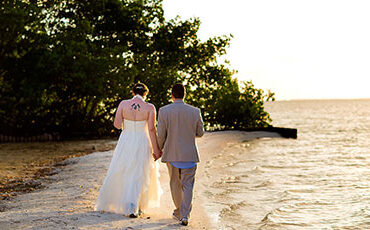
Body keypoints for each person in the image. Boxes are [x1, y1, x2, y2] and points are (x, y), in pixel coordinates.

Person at [94, 83, 162, 218]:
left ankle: (130, 205)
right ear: (145, 93)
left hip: (126, 139)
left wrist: (128, 122)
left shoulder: (123, 104)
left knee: (123, 169)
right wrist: (156, 149)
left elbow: (117, 125)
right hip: (142, 140)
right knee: (140, 171)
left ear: (132, 92)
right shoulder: (149, 107)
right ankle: (135, 206)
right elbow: (152, 130)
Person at [156, 83, 204, 226]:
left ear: (172, 95)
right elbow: (200, 133)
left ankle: (178, 211)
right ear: (185, 94)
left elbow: (161, 135)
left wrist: (159, 148)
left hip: (172, 153)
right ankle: (185, 216)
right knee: (188, 185)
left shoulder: (164, 111)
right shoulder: (195, 111)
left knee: (175, 184)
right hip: (189, 154)